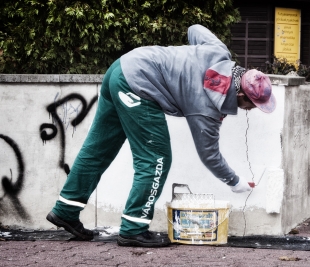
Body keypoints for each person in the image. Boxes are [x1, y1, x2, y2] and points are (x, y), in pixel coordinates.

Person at [46, 24, 276, 247]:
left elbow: (195, 28)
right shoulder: (205, 108)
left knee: (98, 148)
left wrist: (190, 58)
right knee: (156, 158)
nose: (253, 109)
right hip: (139, 84)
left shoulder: (218, 51)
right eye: (253, 103)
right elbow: (210, 155)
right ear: (239, 93)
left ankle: (65, 211)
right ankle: (133, 230)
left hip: (122, 67)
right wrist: (235, 182)